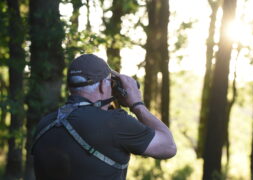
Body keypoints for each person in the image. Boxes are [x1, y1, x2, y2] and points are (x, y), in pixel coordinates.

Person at [31, 54, 176, 180]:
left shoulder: (45, 123)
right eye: (110, 82)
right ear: (102, 85)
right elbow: (168, 146)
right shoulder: (114, 123)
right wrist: (136, 104)